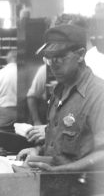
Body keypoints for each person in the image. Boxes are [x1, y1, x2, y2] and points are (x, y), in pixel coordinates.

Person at [17, 24, 104, 171]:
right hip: (55, 183)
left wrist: (66, 170)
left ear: (80, 55)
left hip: (82, 187)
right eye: (49, 59)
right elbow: (58, 144)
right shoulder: (58, 91)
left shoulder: (98, 94)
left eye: (59, 58)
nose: (53, 65)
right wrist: (38, 151)